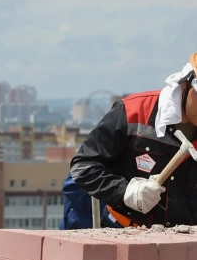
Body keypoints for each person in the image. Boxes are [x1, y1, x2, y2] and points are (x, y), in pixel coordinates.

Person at [70, 52, 197, 229]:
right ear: (186, 82)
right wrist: (126, 192)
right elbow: (83, 166)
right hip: (125, 234)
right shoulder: (133, 111)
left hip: (183, 245)